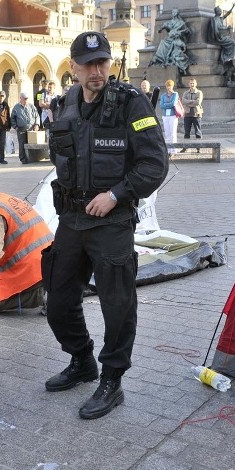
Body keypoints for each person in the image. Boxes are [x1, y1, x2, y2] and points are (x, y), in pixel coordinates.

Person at [43, 31, 168, 419]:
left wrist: (115, 194)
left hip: (112, 222)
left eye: (103, 62)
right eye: (88, 64)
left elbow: (154, 164)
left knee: (117, 305)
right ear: (73, 67)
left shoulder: (132, 104)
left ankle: (112, 380)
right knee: (58, 301)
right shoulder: (64, 104)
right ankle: (82, 360)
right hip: (72, 220)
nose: (97, 71)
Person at [0, 186, 53, 313]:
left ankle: (41, 294)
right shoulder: (6, 199)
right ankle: (52, 288)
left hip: (31, 270)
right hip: (50, 261)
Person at [206, 4, 235, 86]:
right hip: (219, 37)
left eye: (221, 11)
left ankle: (231, 56)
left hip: (223, 35)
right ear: (216, 12)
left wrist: (232, 8)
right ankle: (230, 57)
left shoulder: (220, 19)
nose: (220, 12)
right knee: (232, 43)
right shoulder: (214, 19)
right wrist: (224, 31)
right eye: (219, 11)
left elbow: (227, 14)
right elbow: (216, 30)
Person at [150, 9, 192, 75]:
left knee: (173, 45)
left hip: (177, 39)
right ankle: (160, 58)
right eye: (172, 12)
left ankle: (166, 59)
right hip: (171, 38)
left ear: (177, 13)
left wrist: (180, 33)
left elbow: (187, 31)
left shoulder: (181, 23)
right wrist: (160, 29)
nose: (173, 13)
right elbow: (164, 26)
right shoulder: (170, 22)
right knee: (163, 42)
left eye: (175, 12)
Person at [10, 93, 40, 165]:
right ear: (20, 98)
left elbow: (37, 116)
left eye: (27, 99)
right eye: (24, 99)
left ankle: (32, 157)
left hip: (31, 129)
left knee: (31, 143)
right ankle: (23, 159)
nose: (26, 100)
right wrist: (15, 127)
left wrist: (37, 124)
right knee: (22, 144)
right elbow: (12, 119)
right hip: (21, 129)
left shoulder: (31, 106)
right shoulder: (16, 107)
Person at [181, 78, 204, 151]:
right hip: (187, 114)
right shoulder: (185, 93)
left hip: (196, 114)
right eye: (190, 83)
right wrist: (192, 102)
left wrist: (188, 102)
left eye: (193, 83)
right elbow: (183, 101)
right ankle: (185, 147)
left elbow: (198, 102)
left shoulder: (199, 92)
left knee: (197, 132)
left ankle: (198, 148)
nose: (192, 85)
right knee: (186, 132)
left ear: (196, 84)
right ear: (189, 84)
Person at [158, 80, 179, 153]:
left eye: (170, 86)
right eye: (167, 86)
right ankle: (168, 150)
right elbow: (161, 105)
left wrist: (166, 104)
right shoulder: (163, 95)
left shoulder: (175, 94)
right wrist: (168, 104)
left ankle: (174, 150)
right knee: (167, 133)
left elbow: (173, 103)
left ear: (172, 86)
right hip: (165, 116)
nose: (168, 87)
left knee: (173, 133)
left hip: (173, 115)